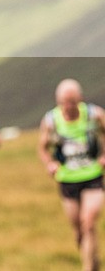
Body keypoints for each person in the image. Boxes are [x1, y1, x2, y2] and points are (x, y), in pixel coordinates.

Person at [38, 78, 105, 271]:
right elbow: (42, 148)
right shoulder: (51, 121)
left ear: (80, 99)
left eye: (72, 102)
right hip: (67, 179)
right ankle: (93, 261)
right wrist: (50, 164)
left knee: (88, 221)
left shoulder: (94, 115)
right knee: (79, 230)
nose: (68, 107)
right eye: (64, 103)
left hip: (93, 175)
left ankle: (87, 267)